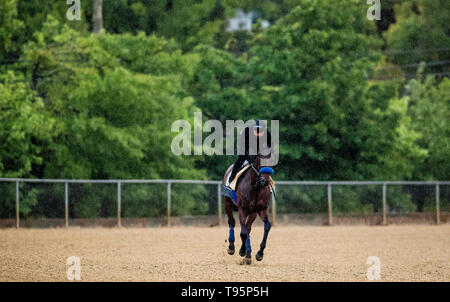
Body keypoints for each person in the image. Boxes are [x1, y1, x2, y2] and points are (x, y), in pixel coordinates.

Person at [226, 119, 272, 188]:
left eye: (261, 132)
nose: (259, 134)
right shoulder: (246, 132)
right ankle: (231, 179)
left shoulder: (267, 134)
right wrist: (249, 160)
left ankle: (267, 180)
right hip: (245, 144)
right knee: (241, 159)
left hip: (259, 145)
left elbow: (270, 148)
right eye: (257, 132)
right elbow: (241, 150)